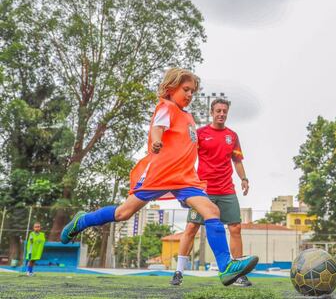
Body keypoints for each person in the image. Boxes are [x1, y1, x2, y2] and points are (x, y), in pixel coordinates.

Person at [60, 68, 258, 286]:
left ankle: (226, 267)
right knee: (123, 212)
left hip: (185, 178)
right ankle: (82, 220)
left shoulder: (188, 117)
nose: (190, 94)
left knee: (212, 210)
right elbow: (158, 127)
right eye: (186, 89)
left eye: (193, 90)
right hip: (161, 173)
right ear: (171, 88)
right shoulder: (167, 107)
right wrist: (156, 140)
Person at [170, 98, 252, 287]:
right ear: (211, 112)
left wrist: (244, 179)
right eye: (218, 111)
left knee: (235, 228)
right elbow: (186, 156)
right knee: (191, 228)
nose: (221, 114)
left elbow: (237, 161)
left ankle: (238, 273)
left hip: (226, 190)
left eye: (224, 111)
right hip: (203, 191)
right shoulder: (199, 134)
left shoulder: (232, 136)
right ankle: (178, 272)